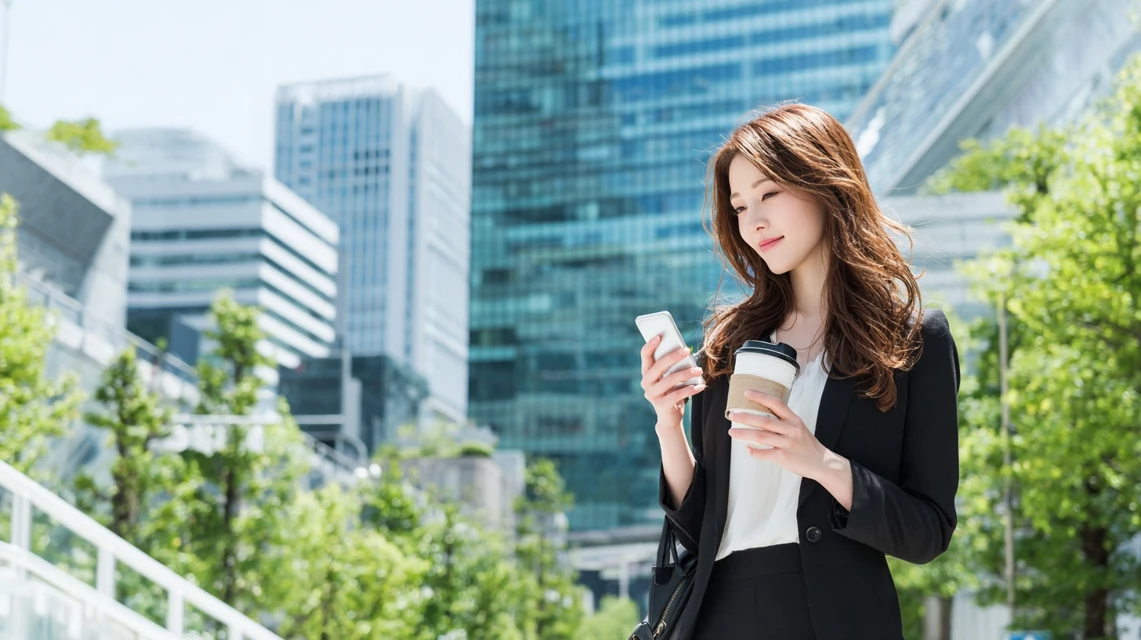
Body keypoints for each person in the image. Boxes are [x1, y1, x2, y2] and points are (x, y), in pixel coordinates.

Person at [639, 103, 961, 639]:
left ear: (824, 184)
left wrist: (820, 463)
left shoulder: (911, 340)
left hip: (832, 615)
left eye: (769, 194)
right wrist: (668, 425)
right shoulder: (730, 345)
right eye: (740, 207)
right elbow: (700, 525)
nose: (753, 222)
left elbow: (928, 531)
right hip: (716, 612)